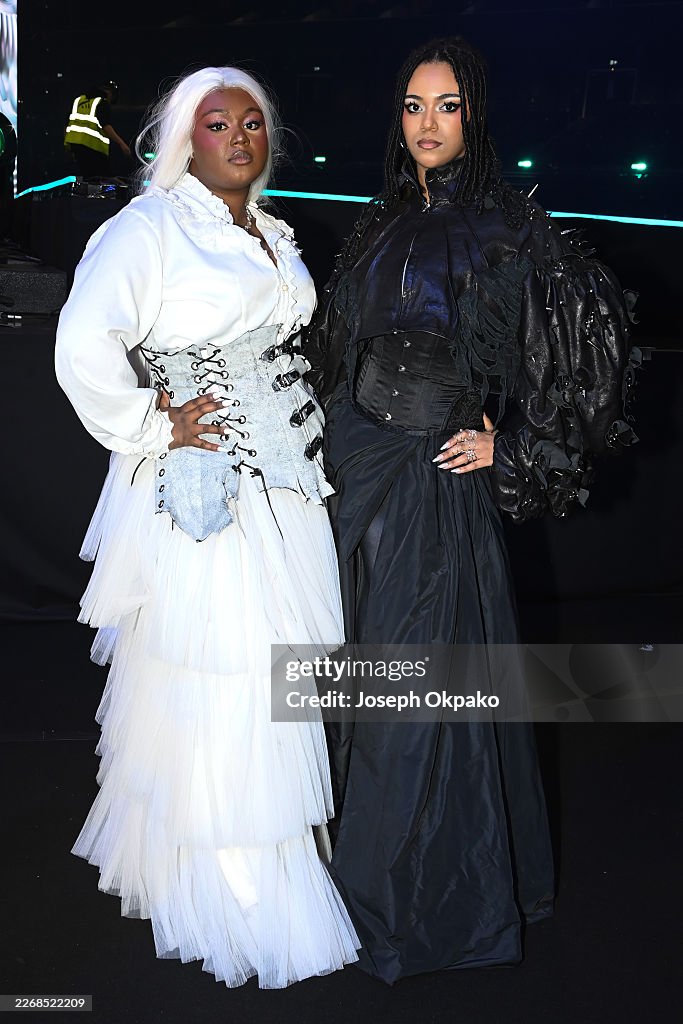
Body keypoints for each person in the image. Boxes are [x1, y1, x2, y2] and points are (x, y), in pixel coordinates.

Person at [305, 37, 638, 984]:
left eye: (445, 106)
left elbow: (593, 351)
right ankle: (337, 875)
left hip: (428, 486)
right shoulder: (376, 223)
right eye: (412, 105)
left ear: (473, 116)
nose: (425, 124)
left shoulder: (508, 231)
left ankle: (403, 907)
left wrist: (517, 445)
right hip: (350, 474)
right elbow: (341, 349)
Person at [55, 66, 359, 988]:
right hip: (209, 496)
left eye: (253, 123)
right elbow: (81, 346)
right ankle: (232, 887)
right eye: (218, 122)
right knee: (224, 677)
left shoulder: (267, 230)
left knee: (276, 677)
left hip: (287, 491)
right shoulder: (149, 228)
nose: (239, 136)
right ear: (186, 138)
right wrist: (154, 422)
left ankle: (257, 858)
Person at [64, 80, 131, 177]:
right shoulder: (101, 102)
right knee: (104, 178)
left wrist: (67, 146)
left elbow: (67, 124)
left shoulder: (79, 100)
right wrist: (122, 144)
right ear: (109, 93)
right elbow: (106, 126)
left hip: (75, 146)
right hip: (93, 147)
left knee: (86, 177)